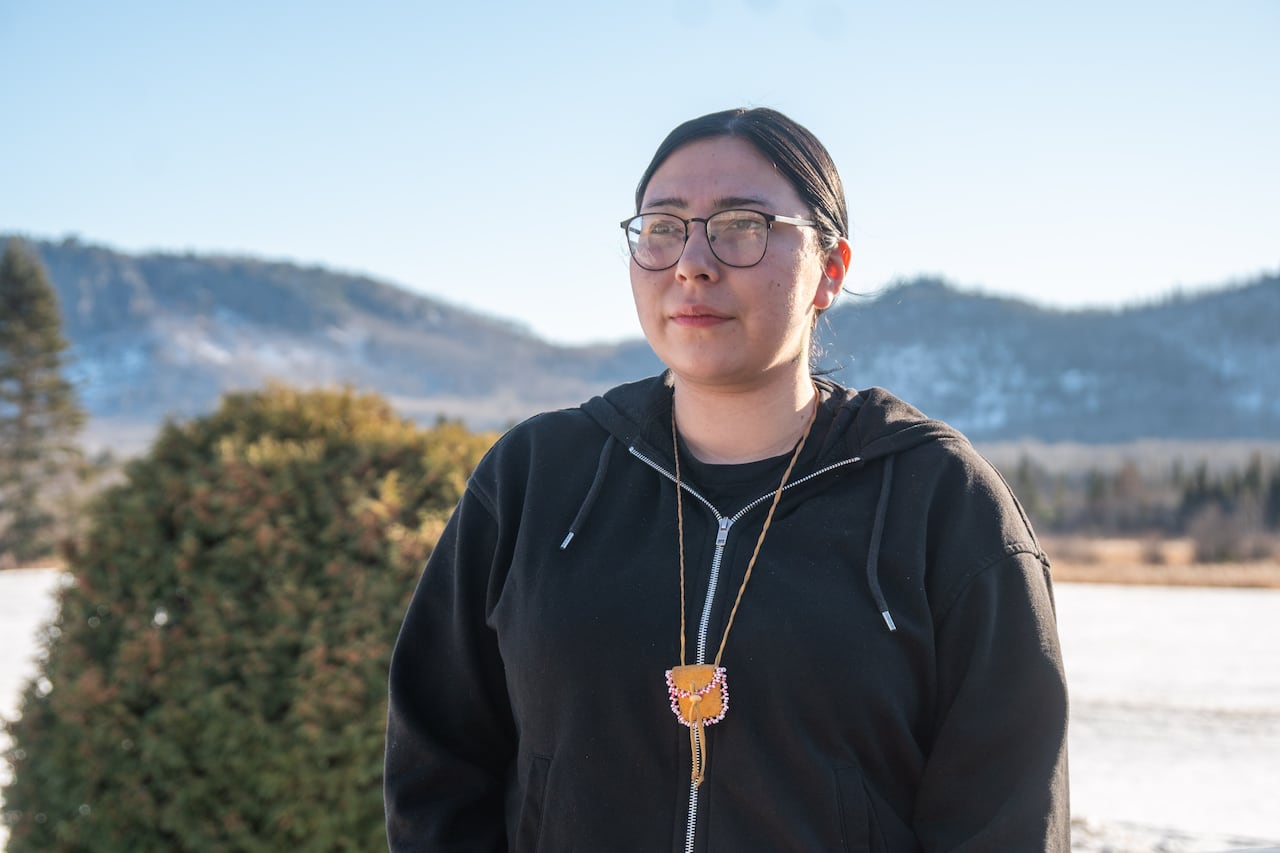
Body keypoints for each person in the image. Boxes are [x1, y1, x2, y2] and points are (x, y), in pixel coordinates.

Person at [384, 107, 1070, 851]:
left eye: (742, 224)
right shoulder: (536, 479)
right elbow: (437, 768)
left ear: (828, 270)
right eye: (663, 226)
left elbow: (1007, 816)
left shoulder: (940, 501)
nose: (692, 262)